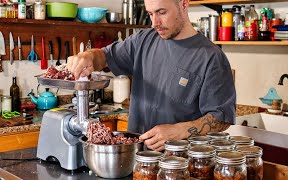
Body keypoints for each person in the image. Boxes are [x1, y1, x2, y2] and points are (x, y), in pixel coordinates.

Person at [67, 0, 236, 151]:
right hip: (136, 158)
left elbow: (221, 118)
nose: (155, 23)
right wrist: (88, 56)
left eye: (162, 12)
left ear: (184, 4)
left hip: (179, 164)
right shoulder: (142, 40)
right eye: (150, 14)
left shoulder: (211, 57)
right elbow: (104, 57)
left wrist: (178, 131)